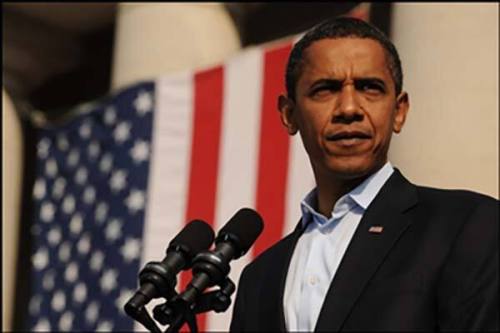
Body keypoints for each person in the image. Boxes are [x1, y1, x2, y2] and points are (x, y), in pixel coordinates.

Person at [230, 16, 498, 332]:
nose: (348, 108)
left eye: (369, 87)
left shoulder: (468, 225)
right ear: (289, 115)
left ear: (399, 111)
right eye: (325, 89)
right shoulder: (261, 278)